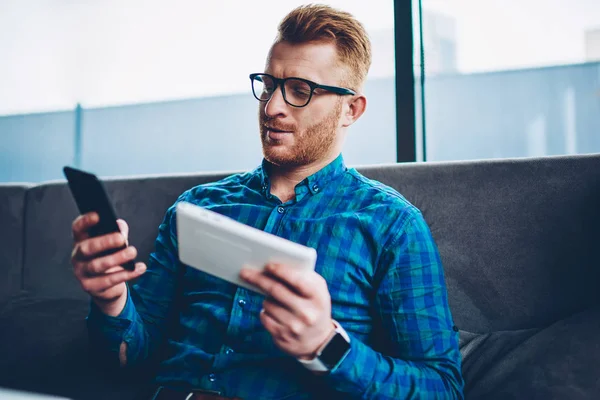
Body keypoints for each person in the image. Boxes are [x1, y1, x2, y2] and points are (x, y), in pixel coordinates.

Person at [70, 5, 464, 400]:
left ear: (351, 109)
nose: (272, 107)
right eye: (269, 84)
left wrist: (325, 346)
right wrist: (111, 298)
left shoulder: (390, 225)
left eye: (299, 90)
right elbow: (130, 356)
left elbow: (443, 389)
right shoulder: (197, 208)